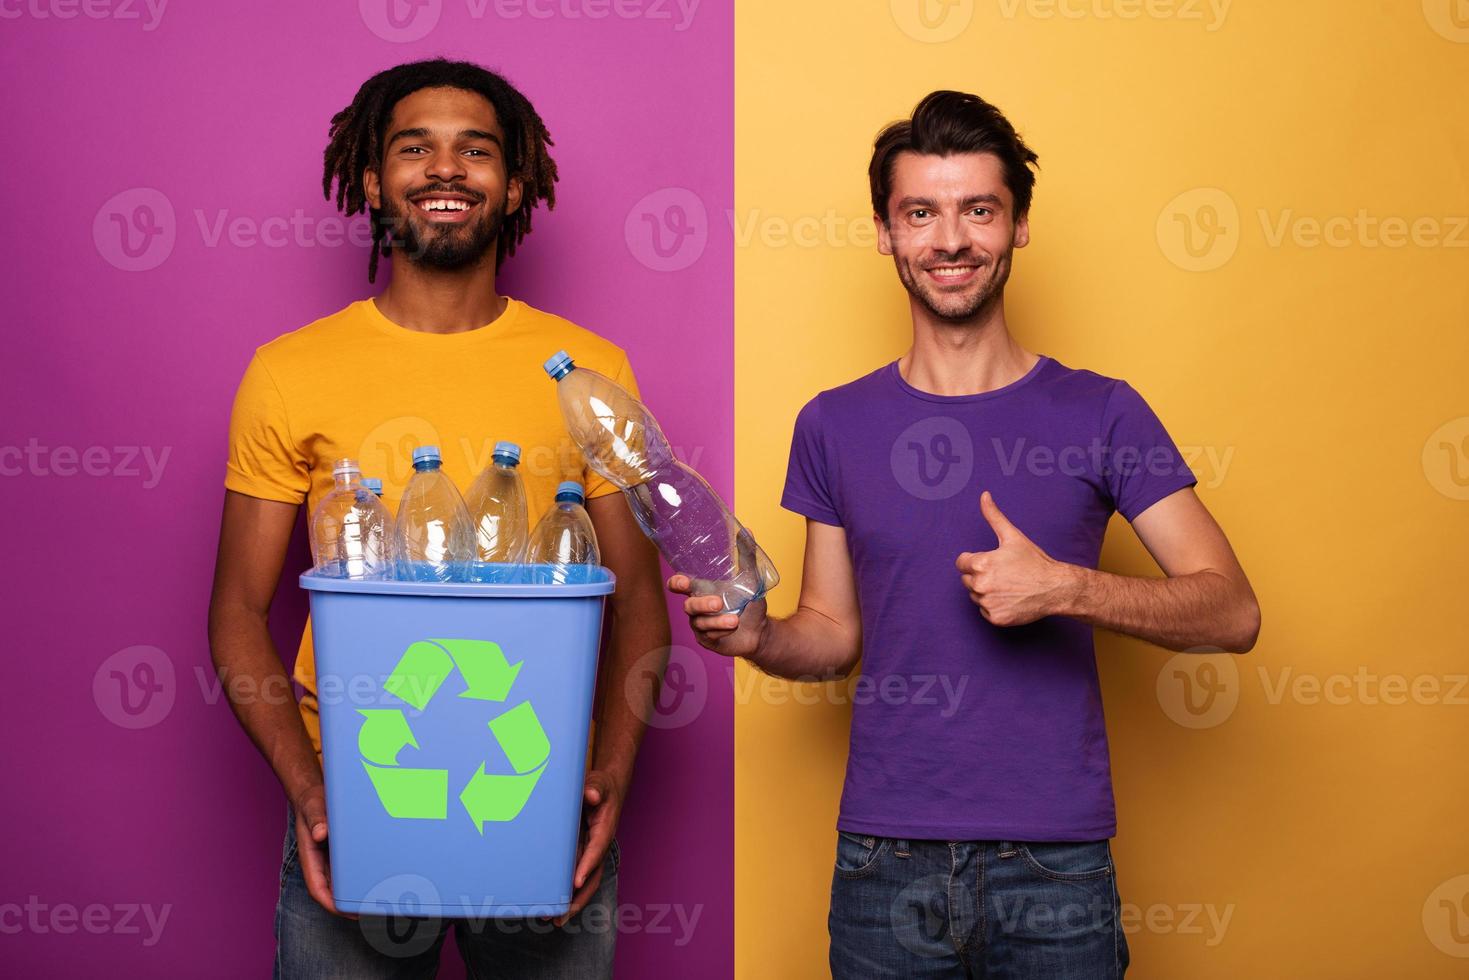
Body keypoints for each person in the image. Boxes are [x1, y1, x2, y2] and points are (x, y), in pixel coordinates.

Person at [670, 90, 1260, 979]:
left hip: (1056, 866)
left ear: (1017, 225)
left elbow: (1232, 613)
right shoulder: (832, 424)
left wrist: (1064, 587)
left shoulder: (1101, 410)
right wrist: (757, 636)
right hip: (882, 864)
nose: (950, 240)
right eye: (921, 213)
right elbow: (830, 636)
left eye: (977, 210)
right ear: (885, 232)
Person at [207, 58, 669, 979]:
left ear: (517, 180)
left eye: (477, 150)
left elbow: (641, 610)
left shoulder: (589, 369)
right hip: (359, 806)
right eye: (415, 148)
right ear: (374, 179)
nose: (446, 170)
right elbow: (235, 616)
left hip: (543, 807)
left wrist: (611, 777)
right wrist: (309, 795)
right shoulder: (291, 372)